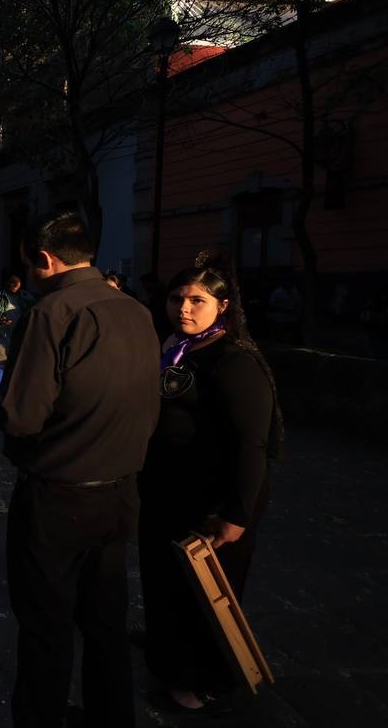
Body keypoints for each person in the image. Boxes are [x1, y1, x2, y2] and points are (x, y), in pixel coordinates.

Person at [0, 211, 160, 728]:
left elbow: (22, 417)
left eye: (28, 263)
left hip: (59, 497)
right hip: (119, 492)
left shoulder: (51, 313)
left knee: (47, 624)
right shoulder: (136, 311)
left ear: (43, 259)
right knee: (106, 620)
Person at [139, 252, 283, 713]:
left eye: (196, 300)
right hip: (167, 494)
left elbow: (251, 445)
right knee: (166, 586)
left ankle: (204, 683)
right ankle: (168, 661)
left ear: (222, 306)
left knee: (204, 597)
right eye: (176, 298)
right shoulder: (176, 348)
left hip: (211, 503)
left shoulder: (234, 362)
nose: (183, 308)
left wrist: (237, 514)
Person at [0, 271, 32, 366]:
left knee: (15, 367)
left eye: (18, 286)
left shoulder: (24, 296)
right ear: (8, 284)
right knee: (0, 367)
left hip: (19, 339)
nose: (16, 289)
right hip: (1, 339)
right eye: (13, 285)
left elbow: (35, 308)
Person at [266, 277, 302, 344]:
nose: (288, 283)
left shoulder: (294, 291)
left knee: (292, 336)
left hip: (292, 318)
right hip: (280, 318)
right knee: (280, 336)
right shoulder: (277, 292)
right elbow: (272, 305)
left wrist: (297, 313)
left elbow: (298, 303)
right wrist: (284, 310)